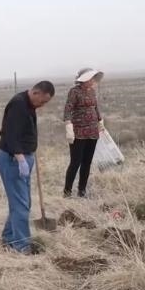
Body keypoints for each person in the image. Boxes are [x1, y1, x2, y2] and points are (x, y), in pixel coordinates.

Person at [0, 81, 56, 253]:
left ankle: (9, 238)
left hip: (22, 158)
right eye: (42, 101)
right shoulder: (19, 105)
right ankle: (22, 247)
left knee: (23, 203)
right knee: (21, 205)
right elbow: (10, 134)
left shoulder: (29, 104)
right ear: (36, 93)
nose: (42, 105)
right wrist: (20, 158)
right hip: (13, 160)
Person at [62, 68, 105, 198]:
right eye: (91, 78)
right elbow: (68, 109)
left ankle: (82, 190)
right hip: (79, 131)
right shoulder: (74, 91)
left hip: (92, 131)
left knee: (87, 162)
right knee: (75, 162)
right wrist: (68, 125)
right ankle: (67, 192)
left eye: (93, 79)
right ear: (84, 79)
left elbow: (95, 107)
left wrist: (100, 121)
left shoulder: (92, 91)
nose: (92, 81)